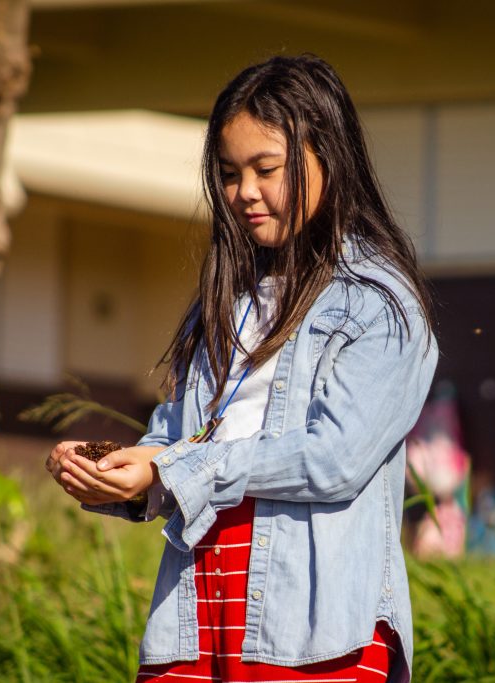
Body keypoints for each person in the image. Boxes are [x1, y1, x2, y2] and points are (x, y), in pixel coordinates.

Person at [44, 54, 437, 683]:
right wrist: (130, 474)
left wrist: (176, 465)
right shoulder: (223, 300)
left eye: (266, 169)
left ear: (329, 159)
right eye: (229, 173)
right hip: (193, 610)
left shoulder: (382, 306)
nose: (244, 192)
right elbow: (179, 440)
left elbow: (332, 461)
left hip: (315, 628)